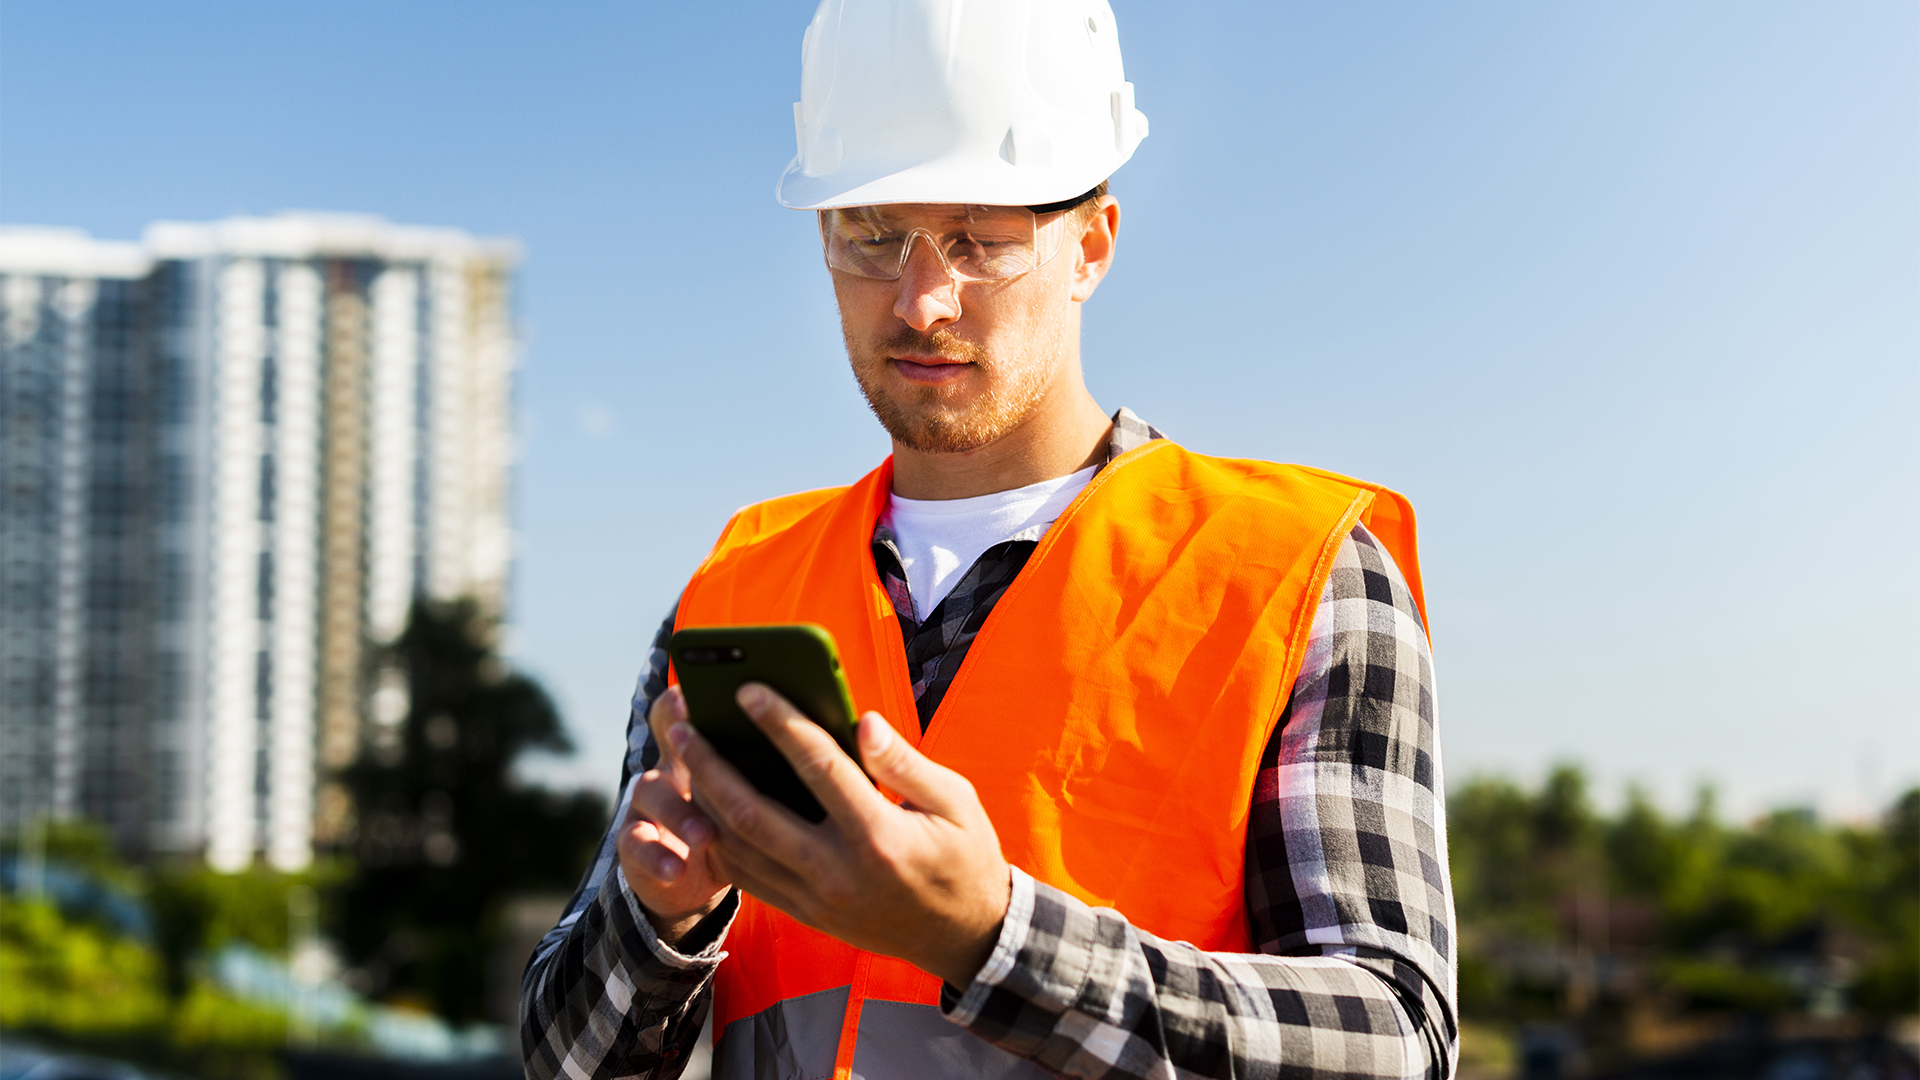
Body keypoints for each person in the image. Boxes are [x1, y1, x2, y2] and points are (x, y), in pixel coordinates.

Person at [519, 2, 1457, 1078]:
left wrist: (993, 938)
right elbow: (567, 1064)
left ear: (1089, 245)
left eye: (982, 239)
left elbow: (1395, 1040)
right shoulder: (738, 589)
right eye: (872, 235)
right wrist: (657, 922)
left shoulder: (1296, 574)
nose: (920, 302)